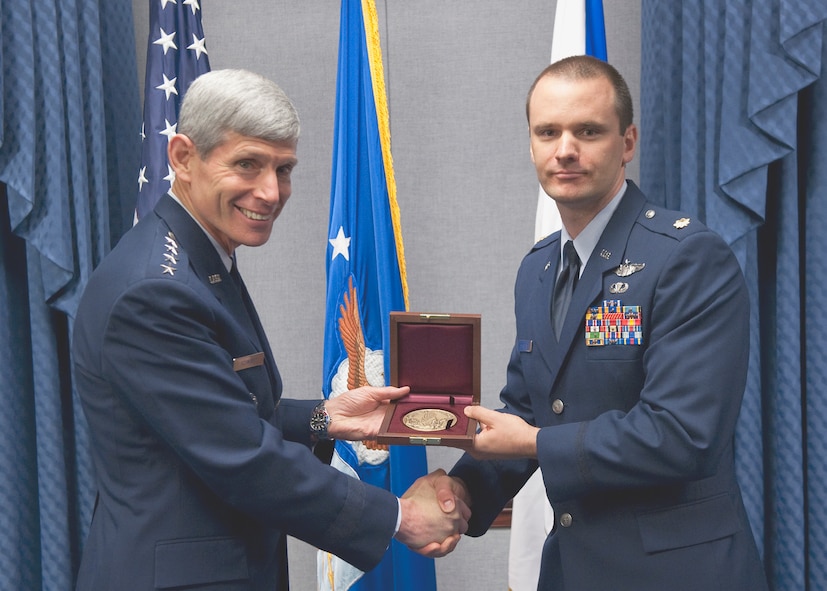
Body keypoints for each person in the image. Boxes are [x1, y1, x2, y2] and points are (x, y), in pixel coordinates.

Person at [72, 69, 468, 591]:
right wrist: (399, 516)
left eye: (284, 169)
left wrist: (327, 418)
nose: (271, 191)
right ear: (183, 158)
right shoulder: (156, 290)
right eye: (247, 165)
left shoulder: (199, 259)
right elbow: (242, 457)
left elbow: (224, 413)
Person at [441, 56, 769, 590]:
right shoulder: (538, 269)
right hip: (573, 571)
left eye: (587, 131)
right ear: (531, 144)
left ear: (628, 142)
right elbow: (529, 408)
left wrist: (531, 444)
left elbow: (681, 435)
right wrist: (461, 496)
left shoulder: (686, 258)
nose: (564, 149)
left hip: (678, 574)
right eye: (548, 132)